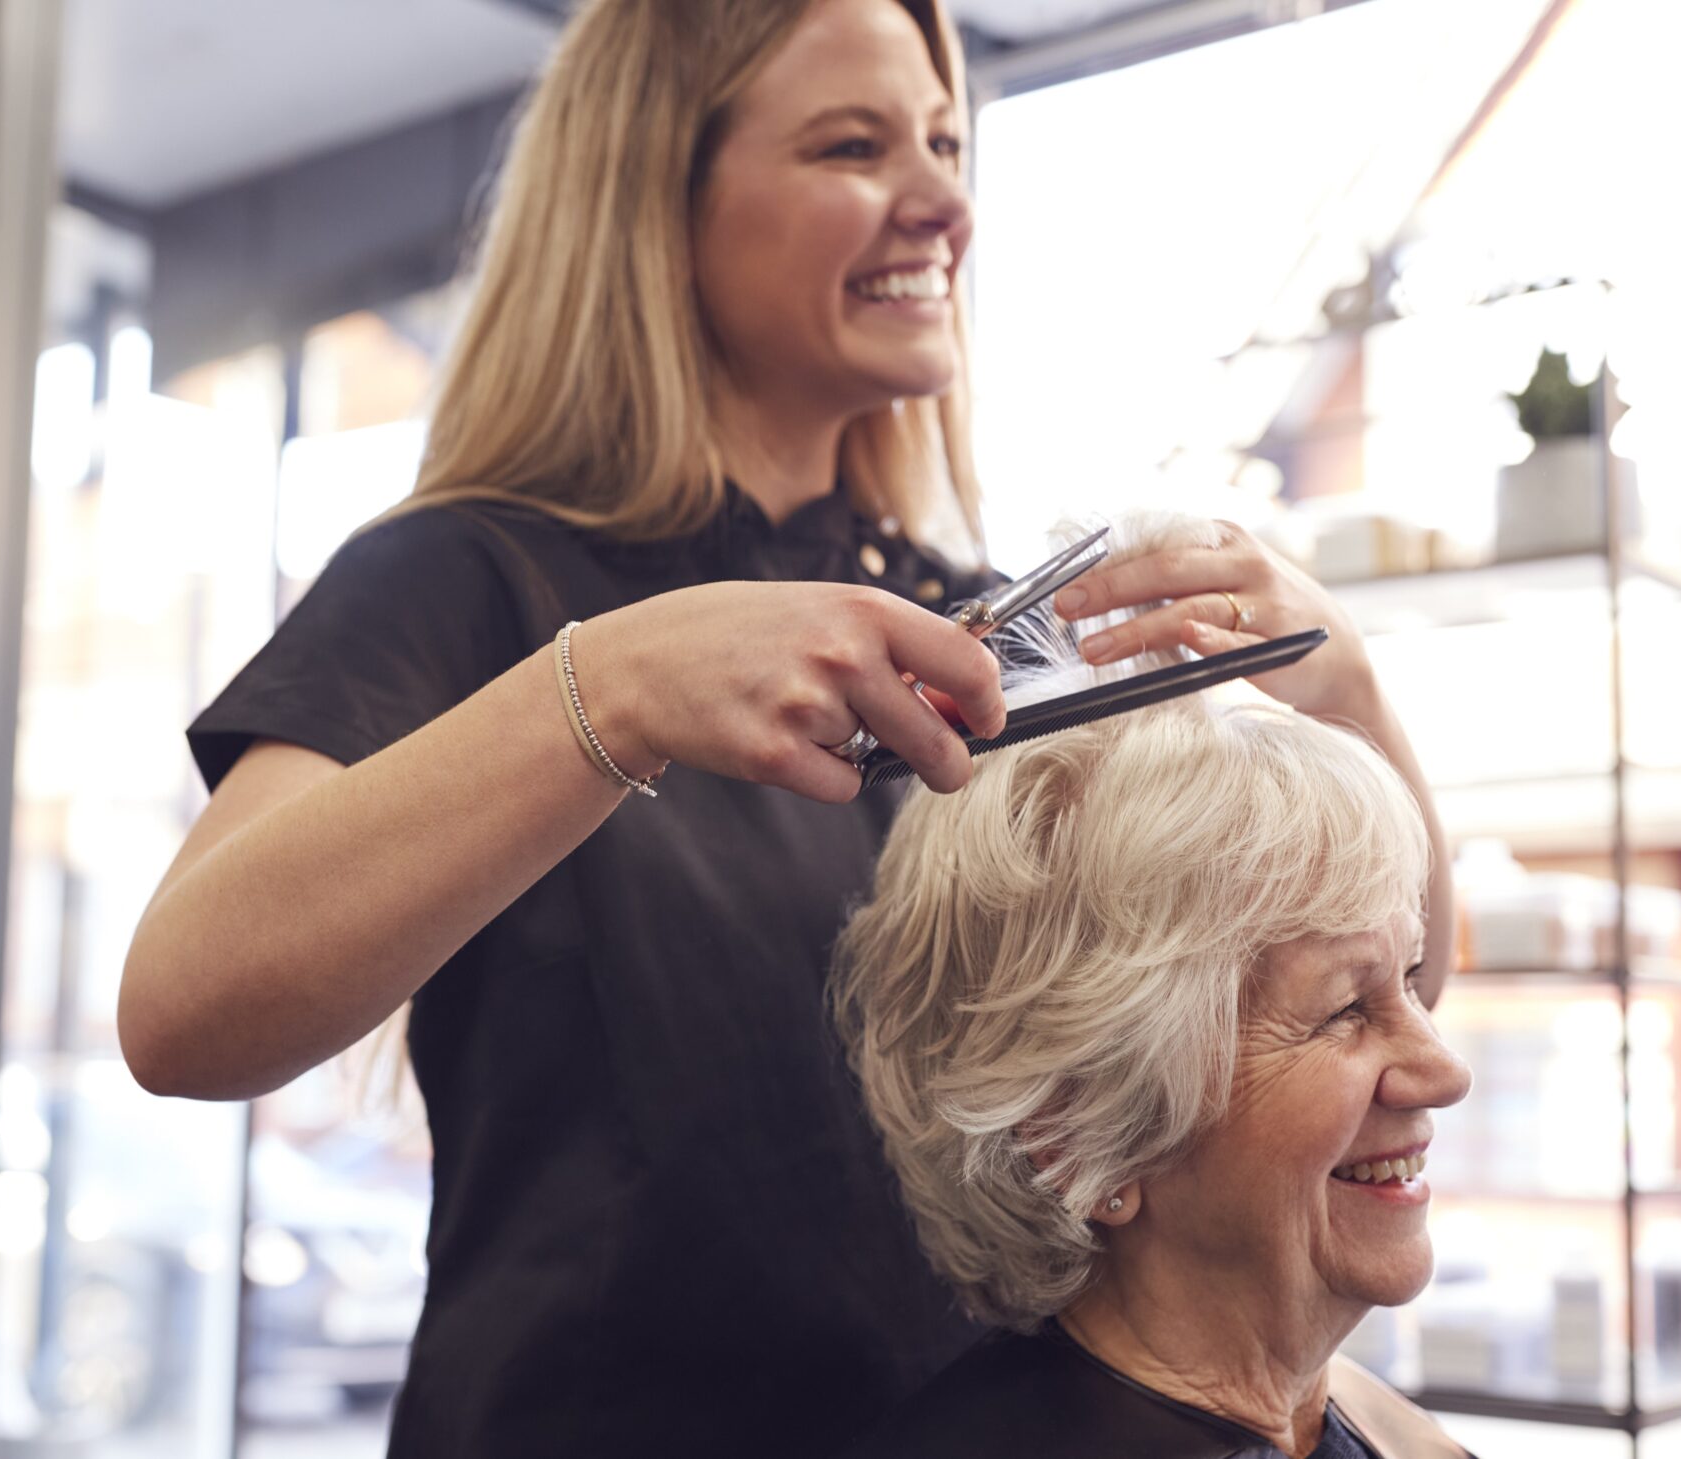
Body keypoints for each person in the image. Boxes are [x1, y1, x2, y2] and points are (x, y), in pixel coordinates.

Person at [117, 0, 1451, 1453]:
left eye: (944, 141)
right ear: (657, 202)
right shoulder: (468, 578)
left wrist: (1347, 689)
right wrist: (610, 692)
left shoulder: (973, 625)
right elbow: (186, 1009)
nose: (944, 198)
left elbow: (1389, 1005)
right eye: (854, 144)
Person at [829, 629, 1476, 1459]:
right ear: (1077, 1138)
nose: (1443, 1070)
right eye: (1345, 1009)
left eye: (1411, 975)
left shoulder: (1379, 1430)